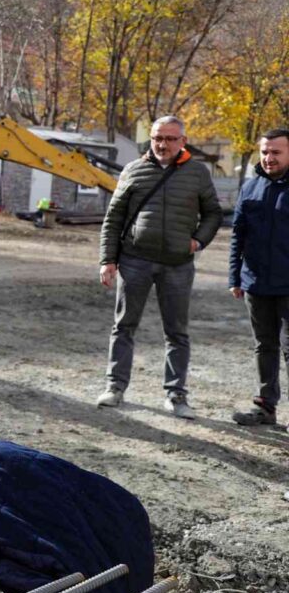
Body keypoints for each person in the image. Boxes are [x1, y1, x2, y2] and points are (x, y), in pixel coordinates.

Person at [97, 115, 222, 419]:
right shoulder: (133, 170)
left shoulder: (197, 173)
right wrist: (107, 260)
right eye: (157, 138)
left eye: (169, 138)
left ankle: (176, 395)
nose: (162, 144)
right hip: (135, 261)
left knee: (176, 332)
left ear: (182, 141)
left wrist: (197, 242)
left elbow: (213, 213)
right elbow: (113, 219)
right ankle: (115, 387)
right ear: (150, 140)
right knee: (124, 326)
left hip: (177, 265)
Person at [228, 129, 289, 429]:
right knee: (264, 346)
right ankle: (265, 408)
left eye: (276, 152)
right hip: (255, 283)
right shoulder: (250, 188)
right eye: (265, 152)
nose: (269, 157)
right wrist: (234, 276)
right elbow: (238, 235)